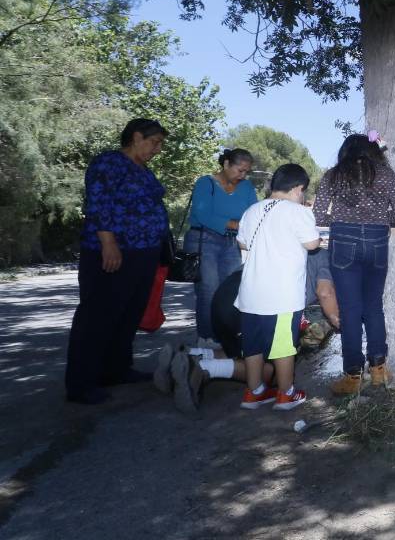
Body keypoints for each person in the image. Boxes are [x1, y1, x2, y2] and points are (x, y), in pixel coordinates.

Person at [154, 248, 340, 412]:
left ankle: (186, 354)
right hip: (254, 303)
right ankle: (201, 369)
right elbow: (325, 293)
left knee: (245, 350)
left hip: (226, 295)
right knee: (276, 371)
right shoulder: (326, 259)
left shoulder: (288, 247)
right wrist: (338, 321)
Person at [65, 118, 170, 405]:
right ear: (136, 137)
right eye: (154, 142)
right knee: (98, 315)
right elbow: (99, 204)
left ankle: (116, 370)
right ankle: (81, 384)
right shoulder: (108, 163)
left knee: (128, 314)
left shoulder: (143, 170)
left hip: (143, 253)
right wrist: (108, 243)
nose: (157, 149)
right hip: (113, 251)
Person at [312, 133, 395, 395]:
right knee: (374, 307)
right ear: (372, 151)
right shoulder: (386, 173)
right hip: (377, 241)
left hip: (343, 241)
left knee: (351, 310)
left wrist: (342, 218)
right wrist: (378, 216)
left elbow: (318, 215)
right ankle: (378, 370)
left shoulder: (334, 174)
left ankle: (352, 376)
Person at [233, 164, 320, 410]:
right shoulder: (297, 211)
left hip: (250, 294)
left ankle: (255, 391)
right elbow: (312, 244)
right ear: (298, 189)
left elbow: (242, 244)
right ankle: (286, 393)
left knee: (252, 345)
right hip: (281, 295)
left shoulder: (252, 210)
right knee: (283, 345)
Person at [185, 148, 258, 347]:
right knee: (208, 289)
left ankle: (225, 338)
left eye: (246, 171)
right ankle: (206, 339)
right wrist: (235, 223)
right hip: (203, 239)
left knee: (228, 291)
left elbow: (252, 213)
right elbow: (203, 215)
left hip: (232, 243)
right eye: (239, 170)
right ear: (226, 164)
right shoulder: (205, 183)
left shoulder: (247, 187)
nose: (242, 175)